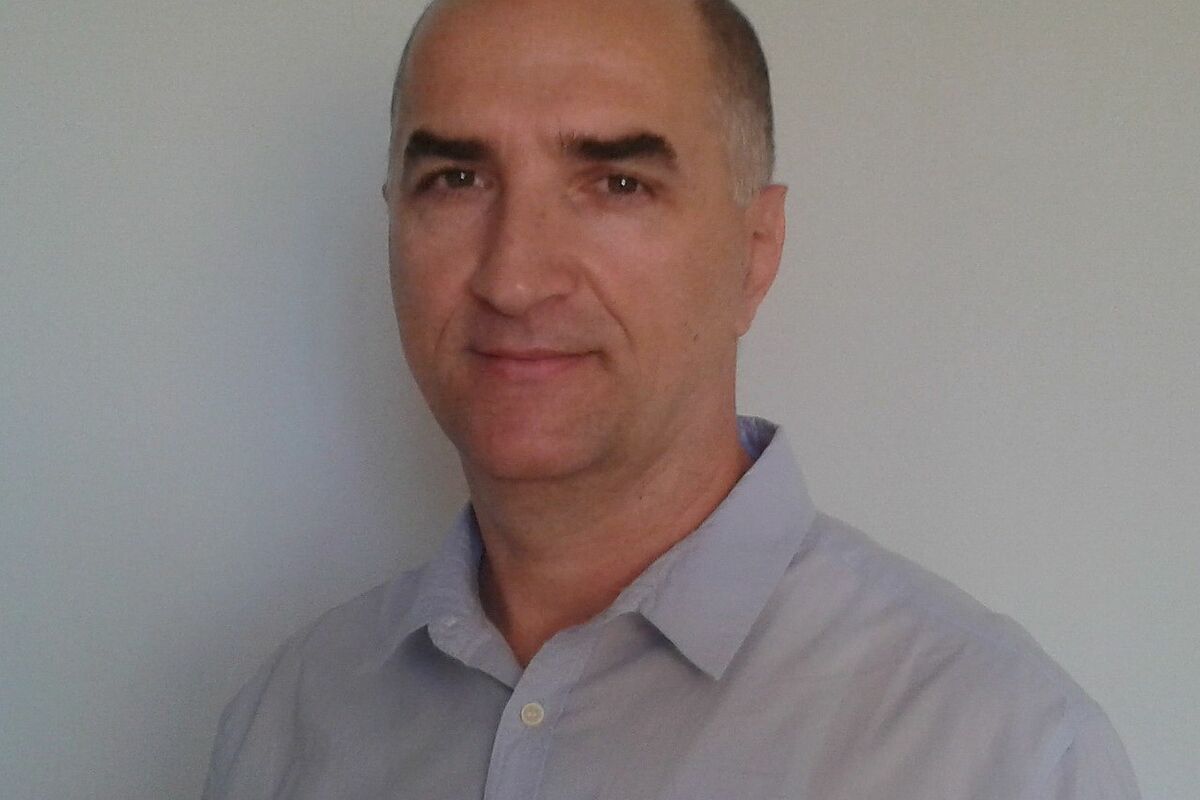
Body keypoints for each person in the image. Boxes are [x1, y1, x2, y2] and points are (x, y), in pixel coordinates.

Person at [203, 0, 1141, 797]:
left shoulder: (1000, 752)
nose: (514, 277)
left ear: (755, 252)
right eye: (456, 179)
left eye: (618, 183)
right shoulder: (287, 725)